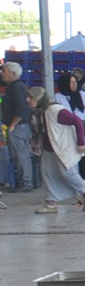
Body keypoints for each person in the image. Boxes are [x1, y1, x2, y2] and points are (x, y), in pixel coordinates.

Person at [32, 87, 85, 213]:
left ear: (39, 99)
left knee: (68, 173)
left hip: (62, 148)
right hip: (49, 149)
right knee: (47, 173)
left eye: (30, 98)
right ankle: (51, 203)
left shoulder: (55, 110)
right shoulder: (41, 112)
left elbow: (77, 121)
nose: (27, 100)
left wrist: (81, 143)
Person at [3, 61, 38, 193]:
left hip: (19, 127)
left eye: (4, 71)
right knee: (19, 154)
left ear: (13, 73)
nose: (2, 74)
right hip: (19, 126)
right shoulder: (13, 87)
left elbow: (21, 109)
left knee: (20, 154)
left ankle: (26, 182)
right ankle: (25, 181)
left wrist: (12, 125)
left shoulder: (17, 87)